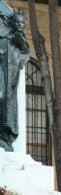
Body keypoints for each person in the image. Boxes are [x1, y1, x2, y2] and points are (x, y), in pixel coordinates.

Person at [0, 2, 29, 151]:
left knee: (5, 97)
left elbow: (23, 48)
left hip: (9, 64)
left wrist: (19, 37)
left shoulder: (9, 13)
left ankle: (4, 137)